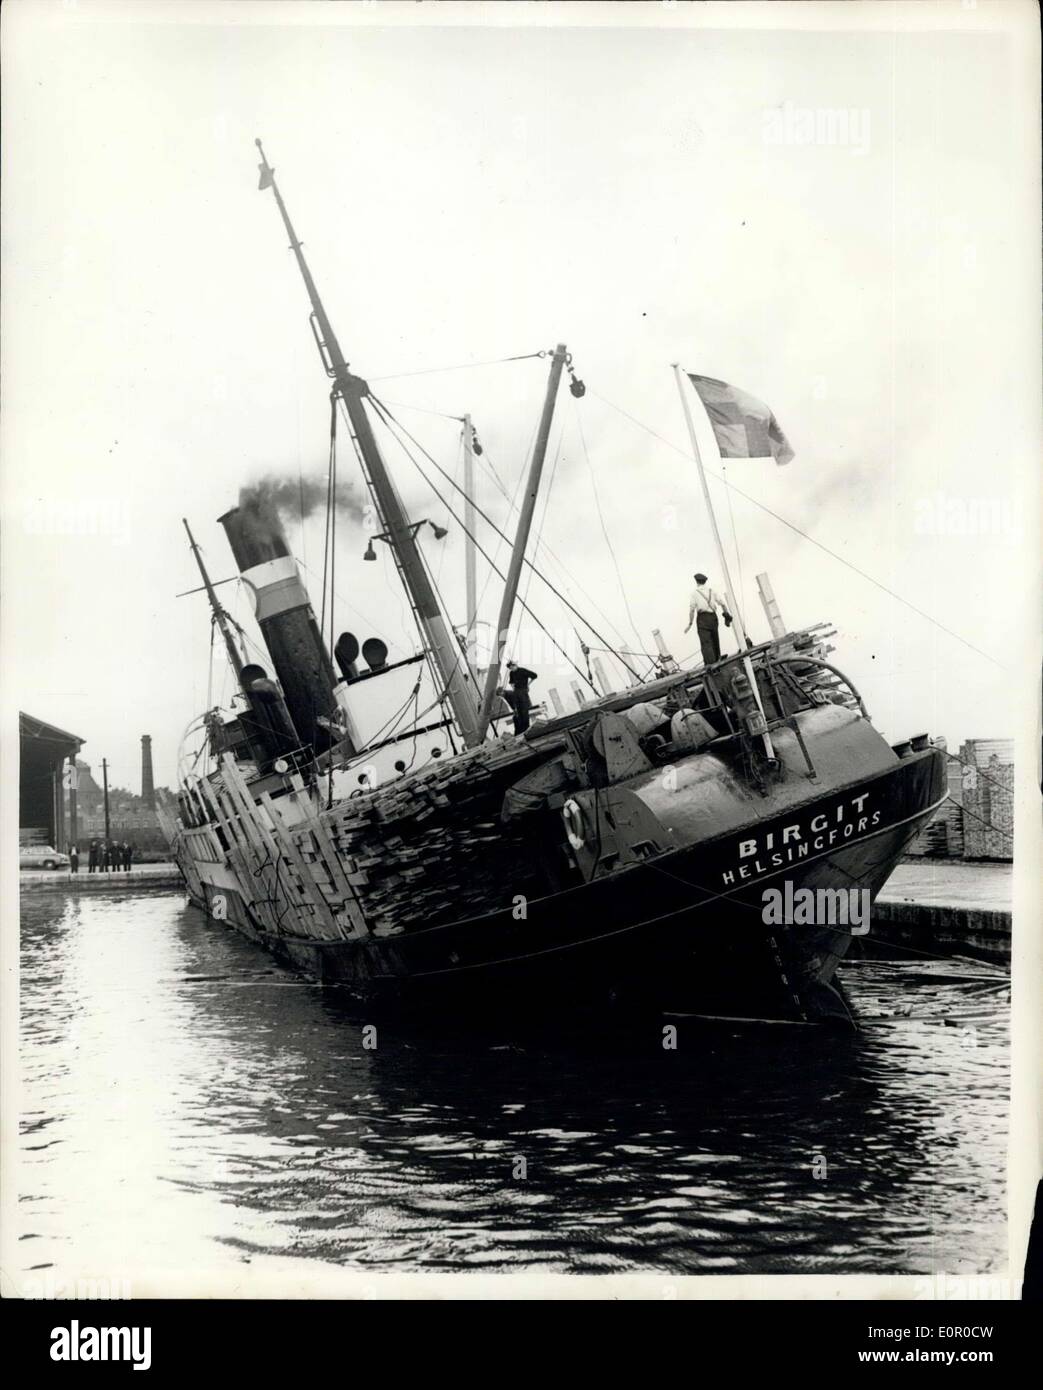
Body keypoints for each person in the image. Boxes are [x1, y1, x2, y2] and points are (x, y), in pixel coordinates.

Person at [684, 572, 732, 666]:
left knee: (706, 642)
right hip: (713, 617)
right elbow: (722, 604)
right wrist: (726, 614)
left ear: (697, 582)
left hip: (702, 618)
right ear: (704, 582)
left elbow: (692, 610)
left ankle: (711, 664)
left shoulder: (695, 593)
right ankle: (718, 659)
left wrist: (690, 624)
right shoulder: (712, 591)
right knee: (715, 639)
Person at [505, 660, 537, 735]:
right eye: (510, 668)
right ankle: (521, 731)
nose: (511, 669)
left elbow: (534, 676)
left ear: (515, 665)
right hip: (516, 693)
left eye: (512, 667)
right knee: (518, 712)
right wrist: (514, 689)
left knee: (524, 711)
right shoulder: (511, 673)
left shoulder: (523, 670)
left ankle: (527, 729)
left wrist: (528, 685)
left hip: (523, 691)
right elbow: (511, 682)